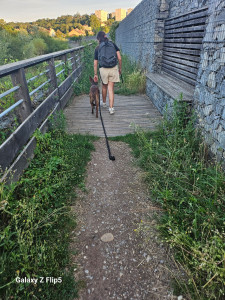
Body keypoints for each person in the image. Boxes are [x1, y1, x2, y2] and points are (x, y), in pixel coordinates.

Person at [94, 31, 122, 115]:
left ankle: (104, 103)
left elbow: (95, 63)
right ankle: (111, 108)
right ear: (105, 36)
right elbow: (119, 58)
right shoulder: (113, 44)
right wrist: (120, 69)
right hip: (113, 68)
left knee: (104, 86)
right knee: (111, 89)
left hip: (103, 69)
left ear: (98, 39)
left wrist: (95, 74)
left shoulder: (98, 48)